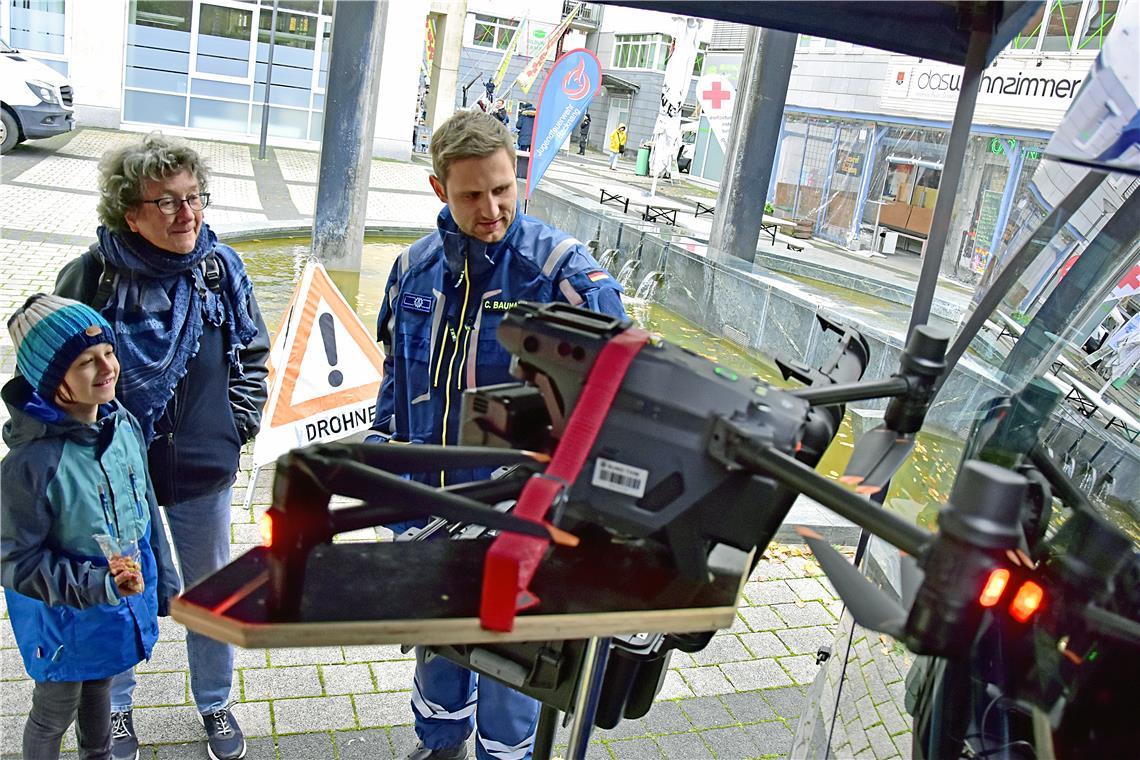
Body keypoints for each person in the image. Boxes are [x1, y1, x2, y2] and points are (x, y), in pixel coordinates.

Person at [370, 110, 625, 760]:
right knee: (438, 651)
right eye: (471, 194)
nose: (491, 208)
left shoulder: (561, 275)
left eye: (502, 188)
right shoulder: (412, 271)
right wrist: (383, 482)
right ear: (438, 191)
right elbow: (395, 389)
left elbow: (624, 400)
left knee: (512, 682)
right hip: (430, 515)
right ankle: (437, 744)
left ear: (520, 177)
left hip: (521, 527)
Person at [54, 133, 270, 760]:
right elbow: (53, 368)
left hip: (204, 463)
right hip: (114, 472)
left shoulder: (219, 268)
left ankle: (216, 702)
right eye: (167, 202)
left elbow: (251, 351)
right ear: (131, 212)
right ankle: (116, 708)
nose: (187, 213)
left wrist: (238, 422)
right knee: (124, 586)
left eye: (193, 197)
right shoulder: (91, 275)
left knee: (210, 591)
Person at [2, 294, 180, 760]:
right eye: (85, 361)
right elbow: (16, 562)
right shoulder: (29, 464)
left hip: (116, 601)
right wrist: (96, 584)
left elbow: (145, 505)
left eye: (108, 353)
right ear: (53, 380)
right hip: (63, 613)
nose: (106, 368)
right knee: (54, 709)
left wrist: (165, 578)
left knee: (102, 681)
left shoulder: (123, 424)